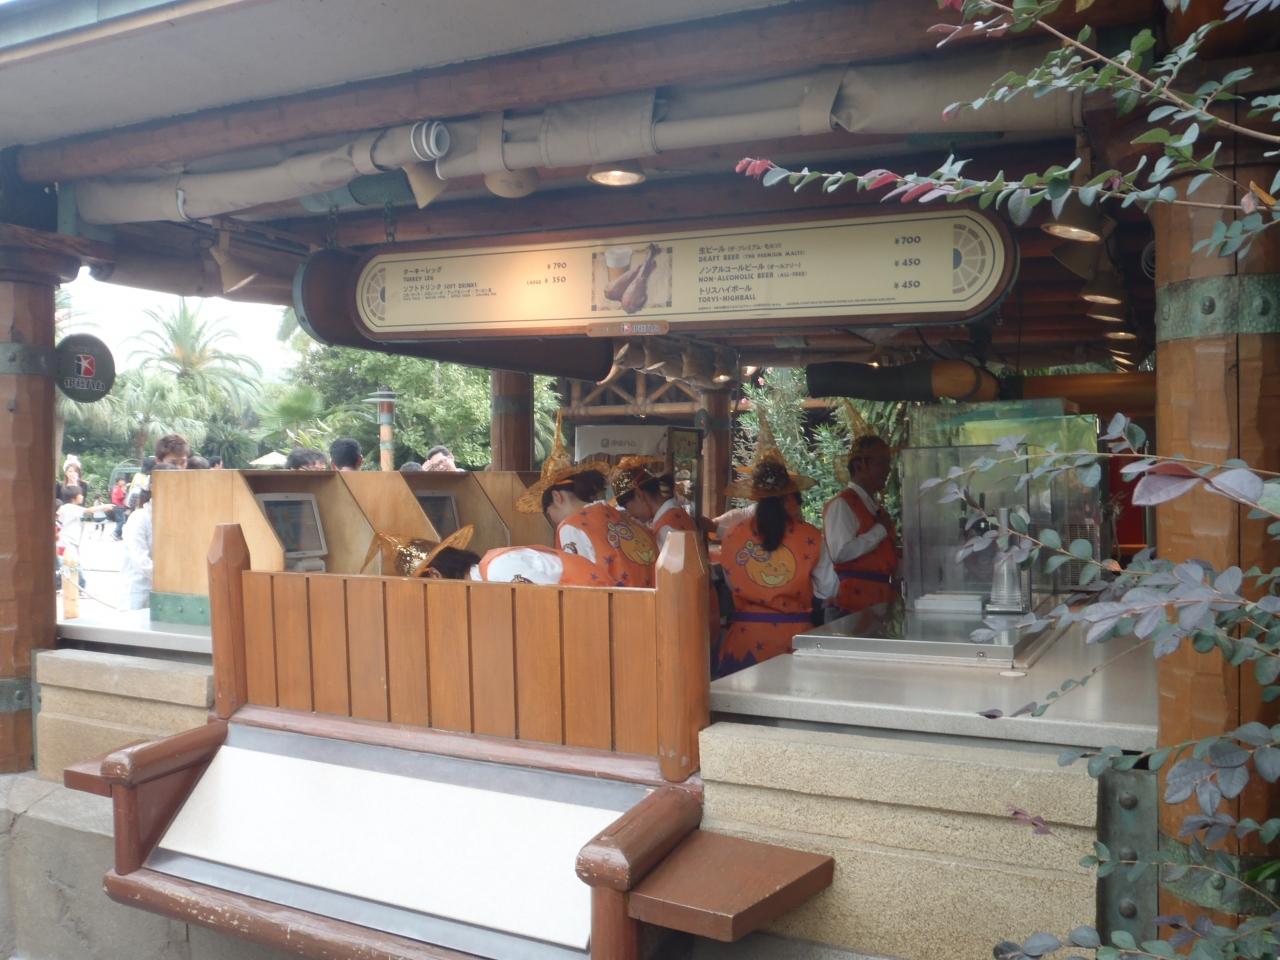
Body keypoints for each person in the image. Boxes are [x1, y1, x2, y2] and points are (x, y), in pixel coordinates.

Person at [716, 417, 838, 678]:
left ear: (754, 495)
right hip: (794, 644)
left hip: (745, 643)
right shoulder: (810, 536)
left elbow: (731, 583)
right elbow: (829, 589)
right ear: (789, 494)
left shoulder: (732, 535)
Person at [515, 412, 657, 587]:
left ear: (557, 497)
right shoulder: (620, 516)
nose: (555, 522)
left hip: (612, 602)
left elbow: (578, 582)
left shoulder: (571, 526)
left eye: (550, 515)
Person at [822, 435, 899, 617]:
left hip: (879, 602)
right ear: (859, 466)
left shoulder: (874, 507)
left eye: (888, 463)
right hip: (853, 605)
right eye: (881, 463)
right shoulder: (842, 504)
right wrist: (879, 531)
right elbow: (840, 552)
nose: (888, 469)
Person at [611, 457, 698, 552]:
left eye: (626, 507)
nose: (629, 514)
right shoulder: (676, 515)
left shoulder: (666, 530)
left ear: (639, 495)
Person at [120, 463, 175, 609]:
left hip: (164, 594)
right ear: (152, 487)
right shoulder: (139, 518)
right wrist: (170, 577)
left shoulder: (174, 519)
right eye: (167, 485)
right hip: (138, 594)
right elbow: (140, 561)